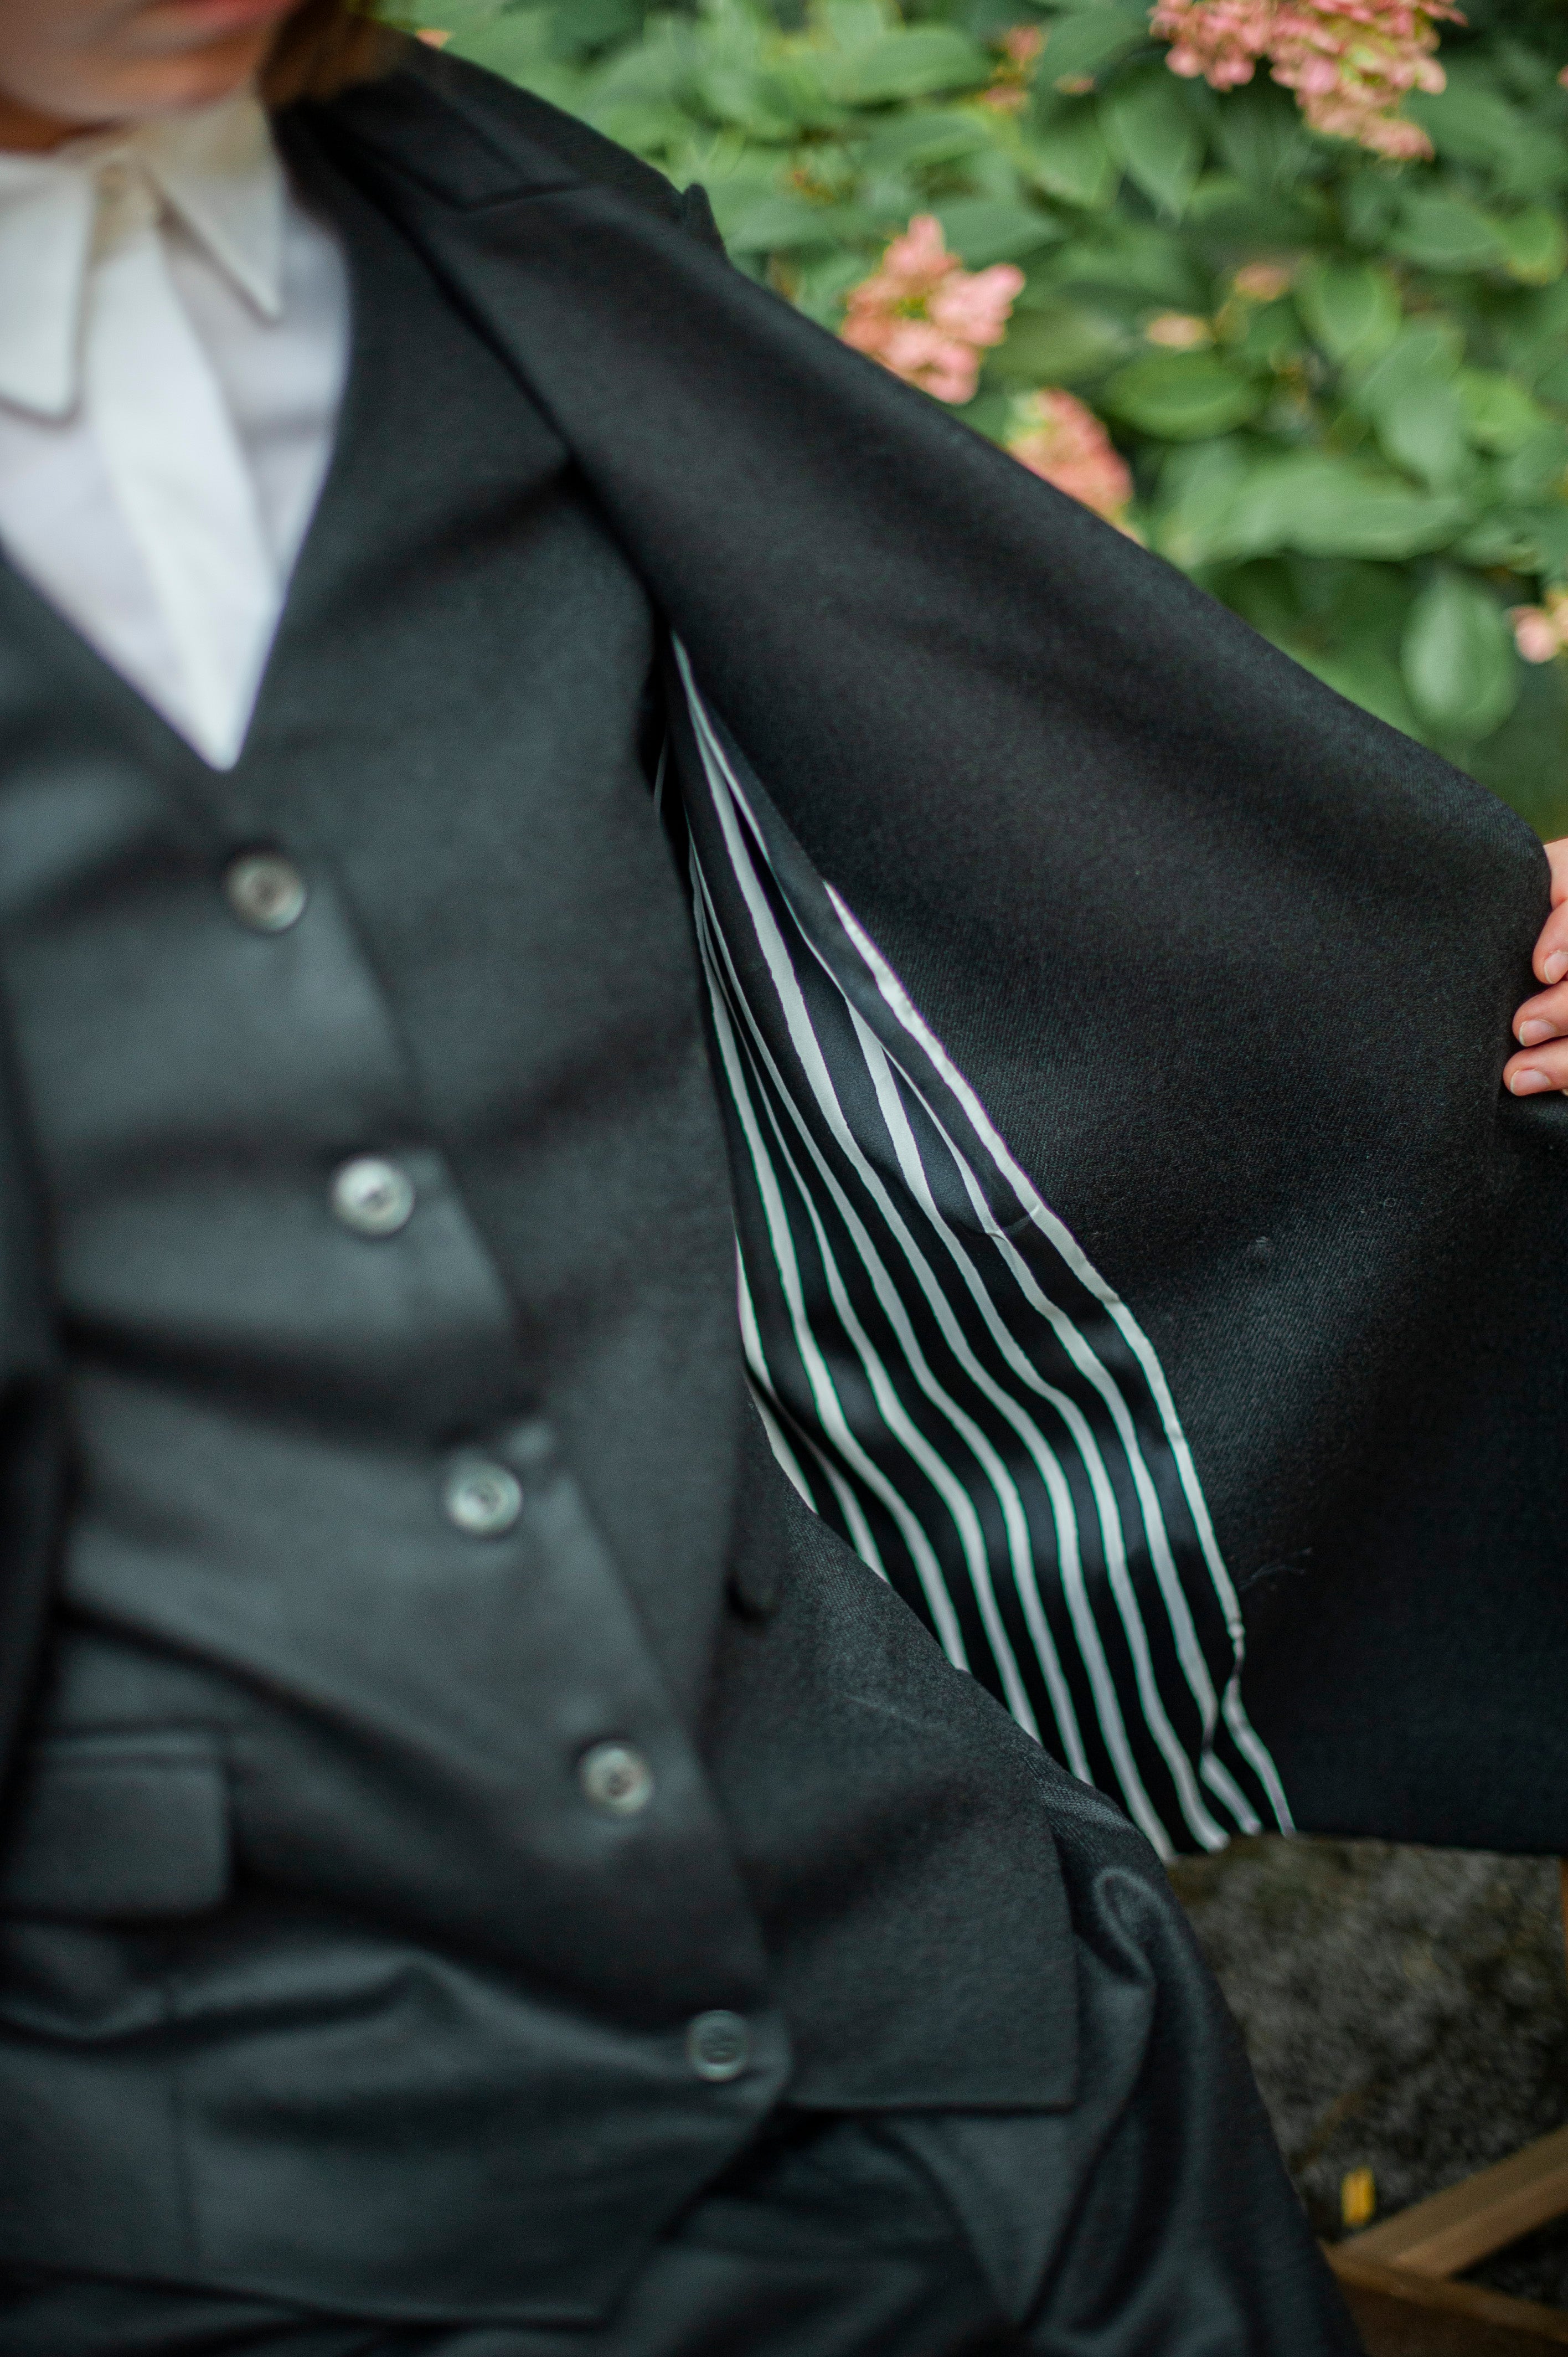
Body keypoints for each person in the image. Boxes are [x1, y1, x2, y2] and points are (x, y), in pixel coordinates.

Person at [0, 2, 1560, 2351]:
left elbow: (1038, 873)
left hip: (982, 2042)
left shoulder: (506, 259)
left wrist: (1459, 965)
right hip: (203, 2175)